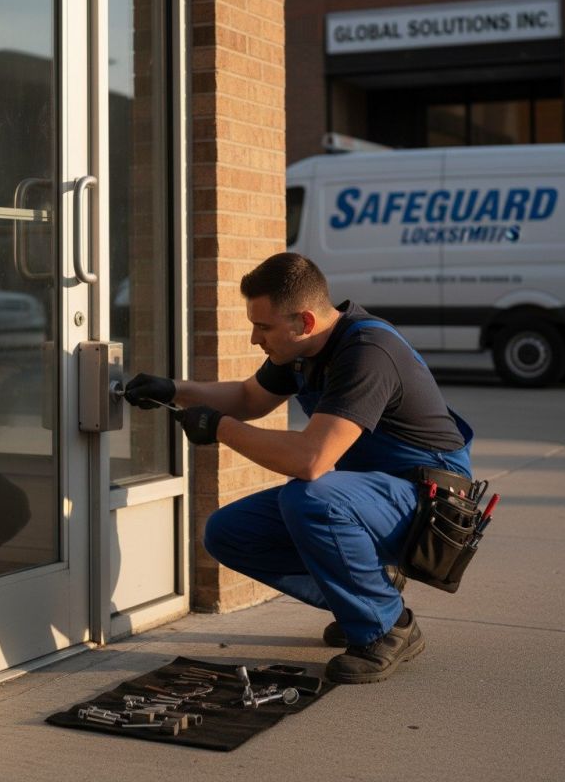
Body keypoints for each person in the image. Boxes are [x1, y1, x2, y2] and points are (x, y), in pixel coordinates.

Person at [125, 252, 473, 684]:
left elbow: (310, 461)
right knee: (228, 533)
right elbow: (249, 398)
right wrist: (176, 390)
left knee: (310, 497)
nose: (255, 339)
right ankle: (369, 595)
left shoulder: (367, 353)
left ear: (304, 322)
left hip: (430, 501)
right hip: (371, 493)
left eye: (263, 327)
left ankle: (387, 626)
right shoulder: (304, 350)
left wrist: (220, 429)